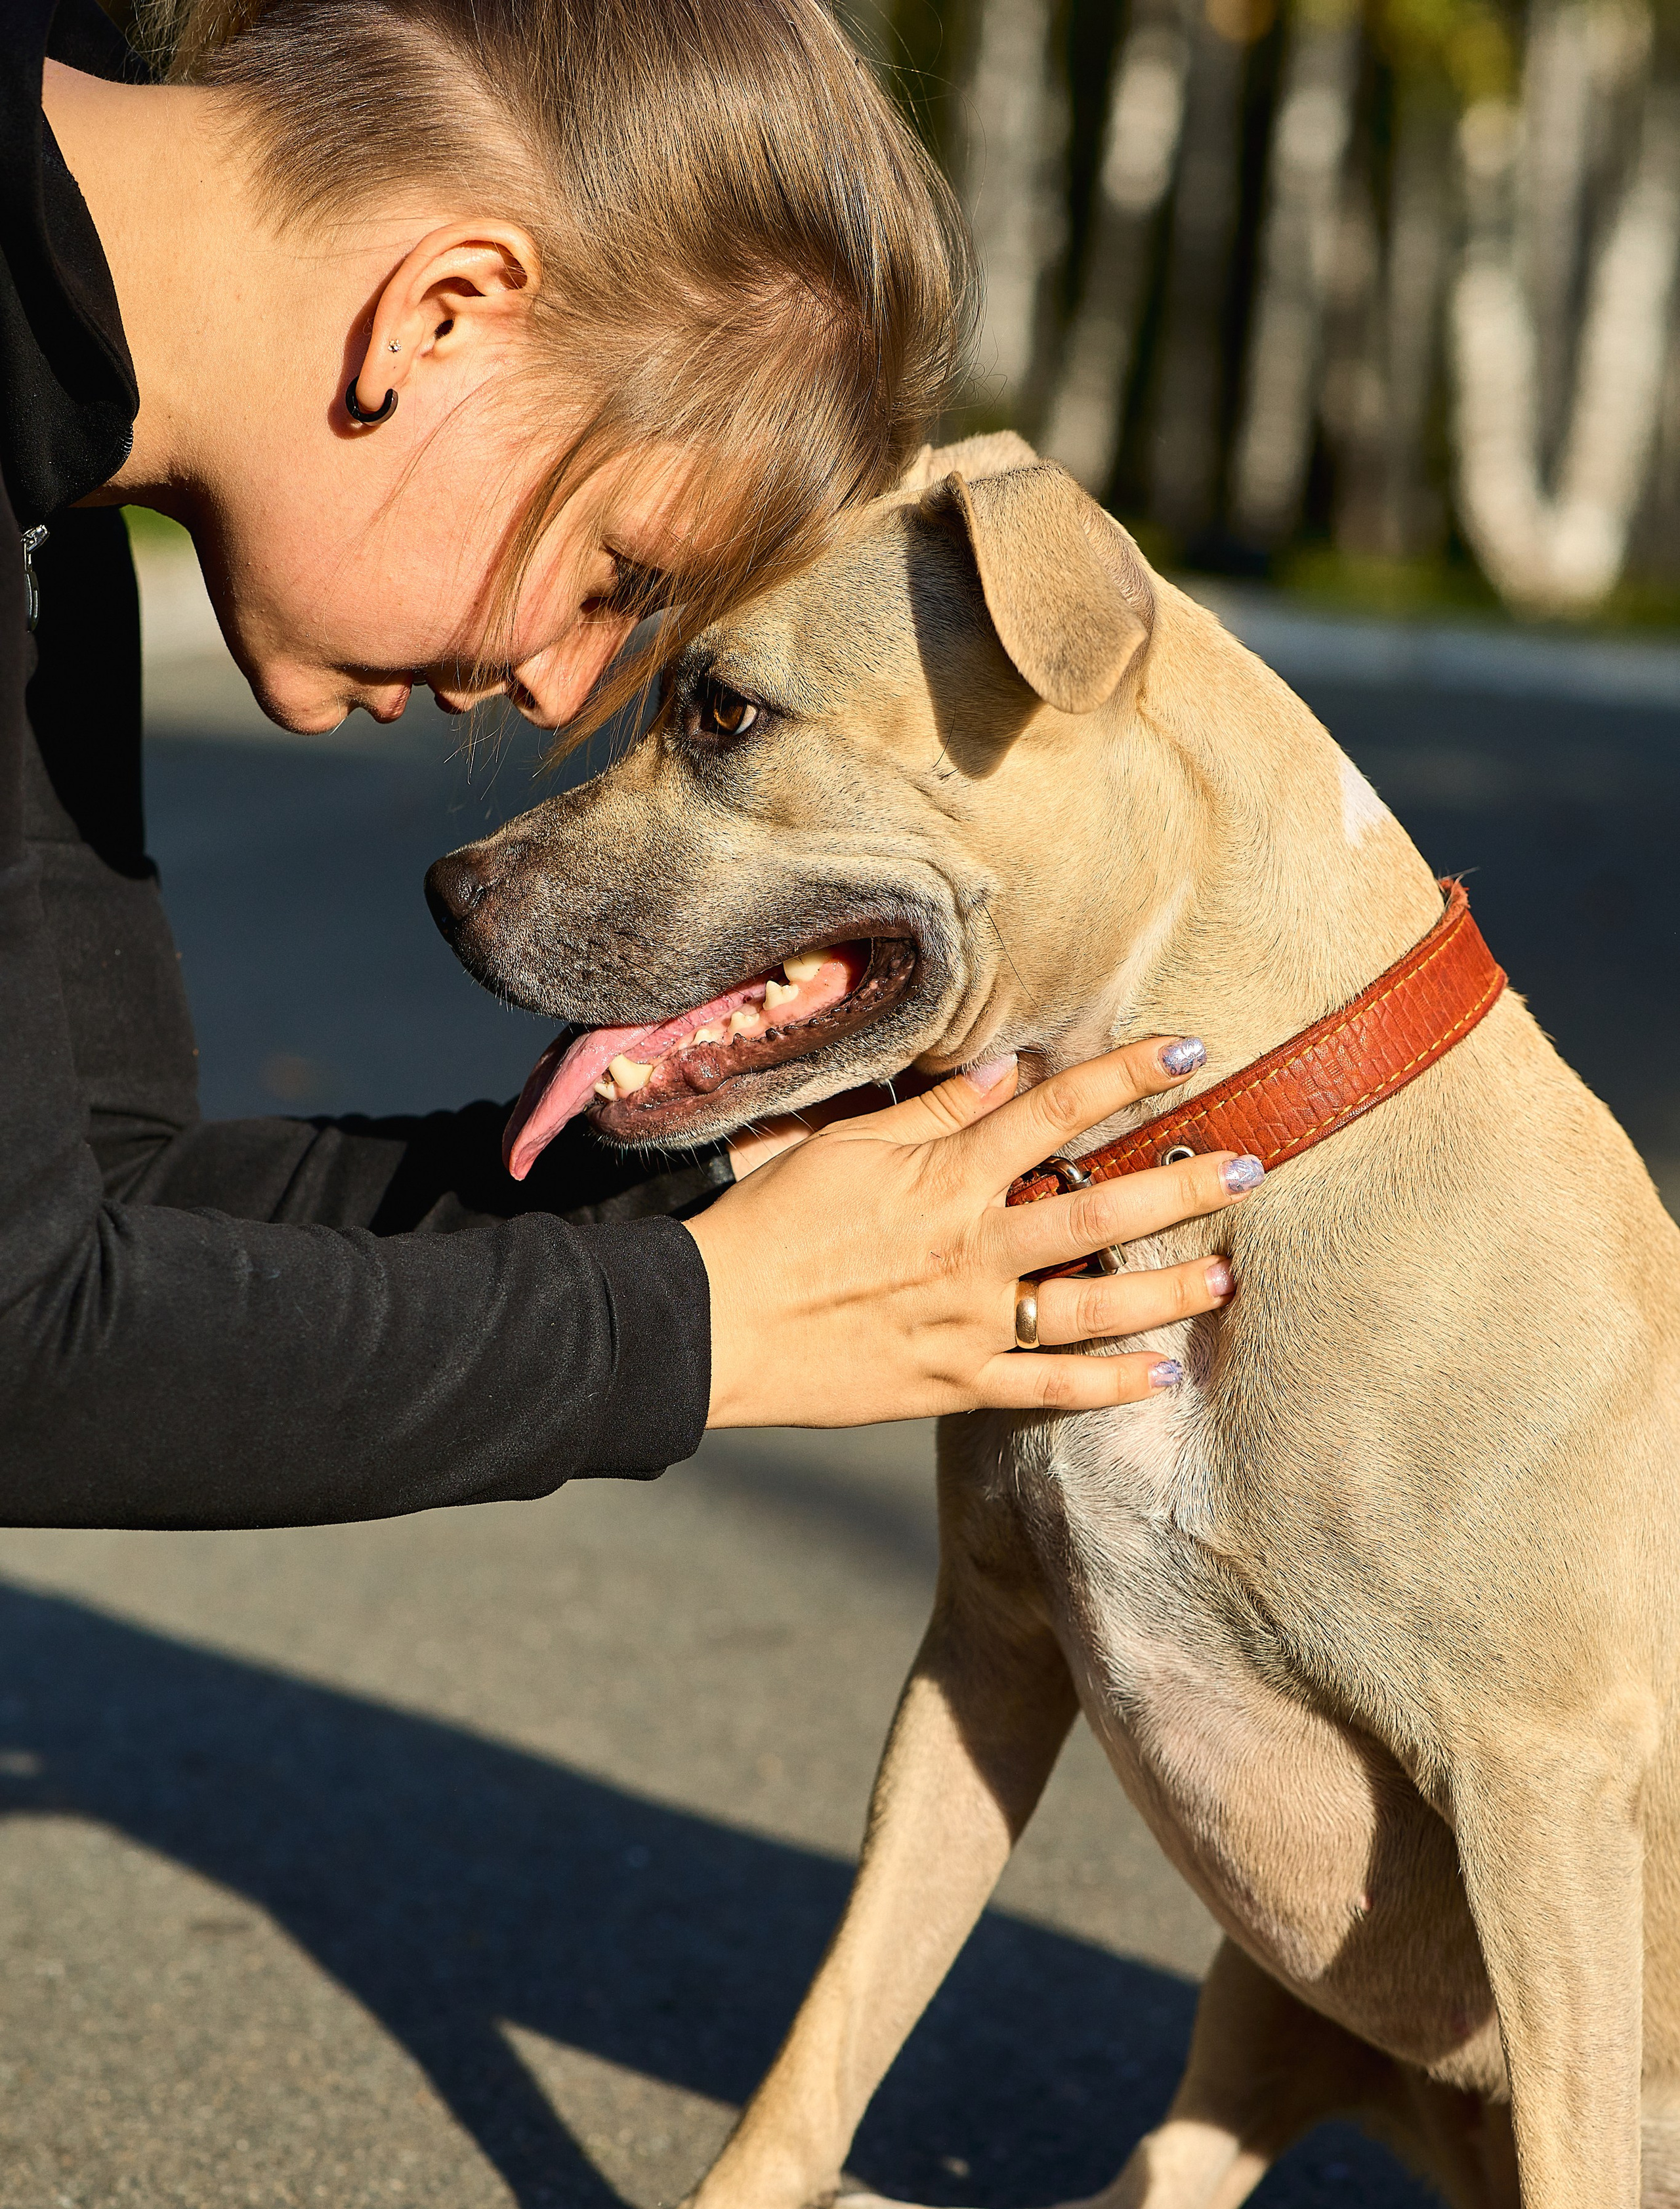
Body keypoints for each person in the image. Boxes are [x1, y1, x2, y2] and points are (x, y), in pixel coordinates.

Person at [1, 0, 1248, 1534]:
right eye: (616, 573)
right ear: (444, 314)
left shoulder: (52, 473)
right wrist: (713, 1328)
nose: (557, 685)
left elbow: (108, 1207)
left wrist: (740, 1188)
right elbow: (27, 1349)